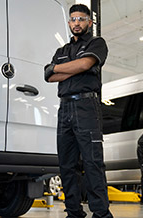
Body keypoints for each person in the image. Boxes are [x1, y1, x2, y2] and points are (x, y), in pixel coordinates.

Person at [44, 4, 112, 218]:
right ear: (69, 23)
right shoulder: (61, 50)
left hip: (86, 107)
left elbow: (85, 64)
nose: (76, 23)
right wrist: (70, 68)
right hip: (64, 108)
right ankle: (73, 212)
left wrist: (59, 68)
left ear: (89, 22)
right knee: (66, 164)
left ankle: (101, 213)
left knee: (92, 162)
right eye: (73, 19)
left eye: (81, 19)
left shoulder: (97, 43)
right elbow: (48, 75)